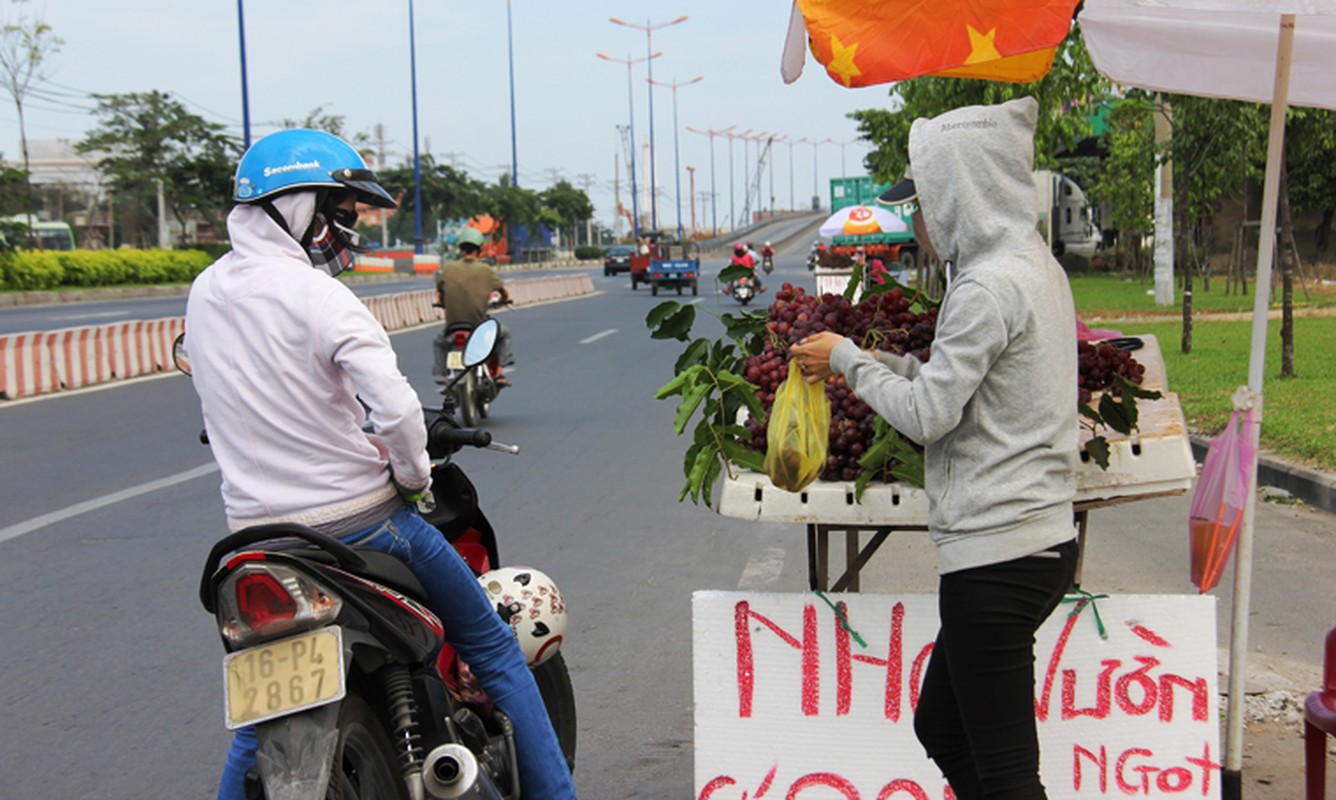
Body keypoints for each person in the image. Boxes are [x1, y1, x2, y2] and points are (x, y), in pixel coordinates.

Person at [185, 128, 575, 800]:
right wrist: (412, 477)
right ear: (297, 206)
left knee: (256, 720)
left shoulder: (205, 292)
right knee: (495, 652)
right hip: (362, 525)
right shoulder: (322, 297)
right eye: (340, 212)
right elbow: (395, 410)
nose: (347, 231)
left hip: (253, 543)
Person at [791, 97, 1078, 800]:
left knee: (1009, 774)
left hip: (999, 554)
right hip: (1029, 545)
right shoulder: (1029, 264)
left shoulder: (986, 285)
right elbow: (956, 388)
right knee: (943, 727)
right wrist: (877, 363)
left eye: (923, 202)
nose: (917, 221)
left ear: (961, 194)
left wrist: (852, 360)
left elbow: (928, 416)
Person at [433, 226, 515, 387]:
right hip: (478, 328)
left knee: (438, 341)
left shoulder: (448, 269)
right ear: (480, 249)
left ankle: (444, 374)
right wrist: (503, 301)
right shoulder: (486, 270)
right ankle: (498, 373)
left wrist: (443, 303)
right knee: (504, 334)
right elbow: (504, 293)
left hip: (452, 328)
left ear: (461, 249)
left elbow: (440, 293)